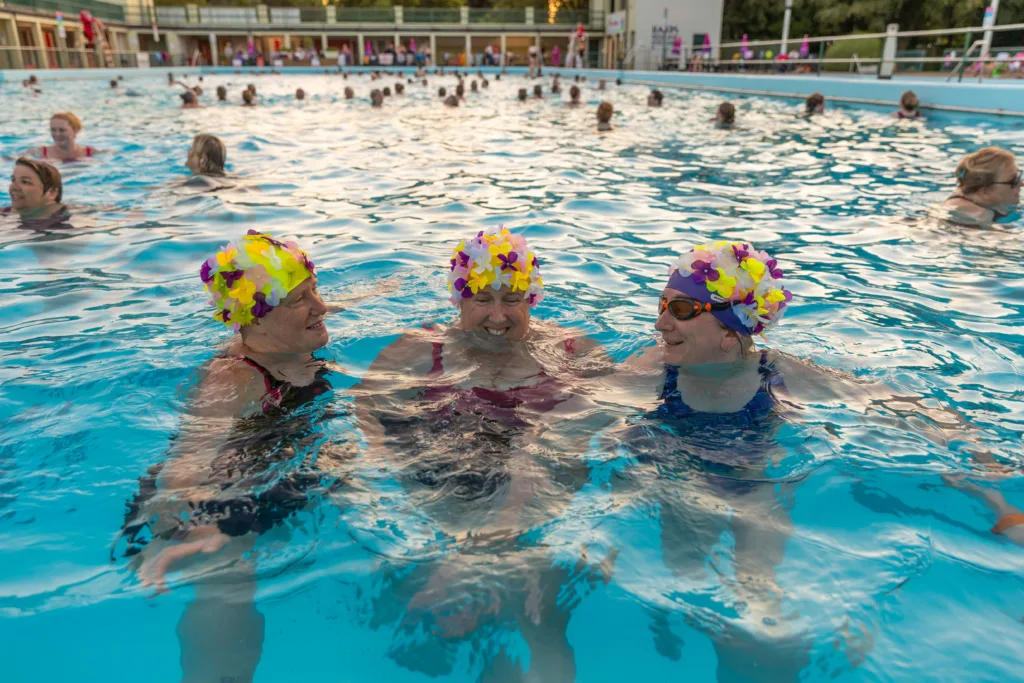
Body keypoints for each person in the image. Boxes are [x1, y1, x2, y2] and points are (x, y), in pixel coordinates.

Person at [116, 231, 391, 683]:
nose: (321, 306)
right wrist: (205, 523)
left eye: (316, 290)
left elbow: (327, 306)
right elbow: (189, 459)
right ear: (258, 319)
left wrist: (385, 289)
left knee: (345, 470)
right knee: (225, 579)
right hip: (219, 491)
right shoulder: (233, 378)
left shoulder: (286, 335)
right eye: (303, 299)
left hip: (277, 460)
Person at [352, 226, 613, 681]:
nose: (497, 315)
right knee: (435, 597)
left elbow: (595, 433)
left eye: (511, 298)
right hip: (446, 489)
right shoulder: (416, 350)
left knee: (538, 610)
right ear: (458, 297)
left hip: (537, 496)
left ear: (531, 296)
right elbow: (367, 413)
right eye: (482, 298)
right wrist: (383, 471)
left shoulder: (575, 353)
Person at [937, 147, 1020, 227]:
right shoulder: (976, 215)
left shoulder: (970, 198)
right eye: (1013, 181)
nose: (1021, 183)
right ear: (984, 192)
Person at [4, 157, 67, 223]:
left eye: (25, 182)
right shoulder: (4, 214)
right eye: (13, 180)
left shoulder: (71, 216)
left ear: (51, 192)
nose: (13, 187)